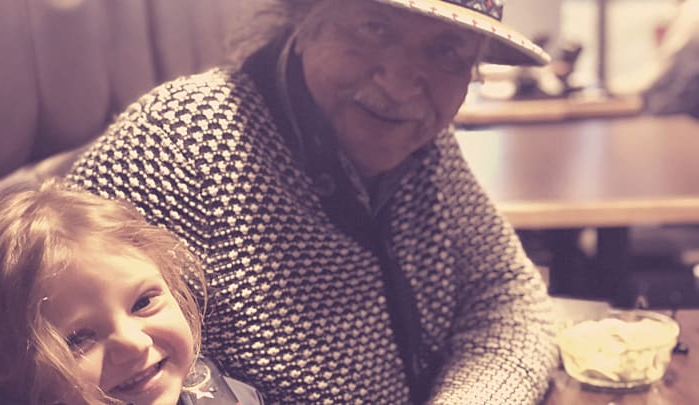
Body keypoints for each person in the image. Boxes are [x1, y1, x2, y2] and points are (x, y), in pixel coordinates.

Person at [66, 0, 558, 403]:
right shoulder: (174, 143)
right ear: (303, 20)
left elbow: (507, 300)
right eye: (374, 28)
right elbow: (56, 363)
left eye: (446, 52)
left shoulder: (422, 144)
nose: (398, 82)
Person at [0, 182, 263, 405]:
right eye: (78, 339)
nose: (134, 343)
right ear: (13, 373)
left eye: (143, 303)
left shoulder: (221, 393)